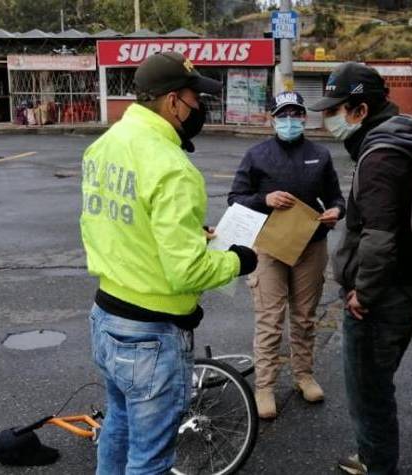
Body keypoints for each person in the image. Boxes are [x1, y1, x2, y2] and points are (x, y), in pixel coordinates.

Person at [79, 52, 258, 474]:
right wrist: (238, 261)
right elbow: (188, 272)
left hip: (106, 318)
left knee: (118, 429)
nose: (201, 108)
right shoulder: (172, 166)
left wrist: (188, 235)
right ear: (174, 102)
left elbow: (118, 224)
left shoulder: (105, 145)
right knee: (150, 459)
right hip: (150, 336)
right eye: (197, 98)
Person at [308, 62, 412, 475]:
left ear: (360, 110)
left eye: (337, 109)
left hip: (381, 298)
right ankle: (374, 457)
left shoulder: (381, 156)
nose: (330, 119)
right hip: (398, 287)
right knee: (375, 384)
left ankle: (376, 464)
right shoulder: (393, 140)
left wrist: (363, 290)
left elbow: (380, 236)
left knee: (370, 389)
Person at [228, 91, 346, 419]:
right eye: (283, 115)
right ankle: (264, 385)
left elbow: (337, 198)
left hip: (311, 245)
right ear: (273, 118)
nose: (290, 120)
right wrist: (264, 200)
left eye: (296, 114)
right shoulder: (257, 155)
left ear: (304, 118)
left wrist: (337, 210)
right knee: (269, 318)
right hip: (268, 245)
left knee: (305, 316)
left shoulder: (319, 155)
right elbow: (235, 197)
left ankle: (303, 374)